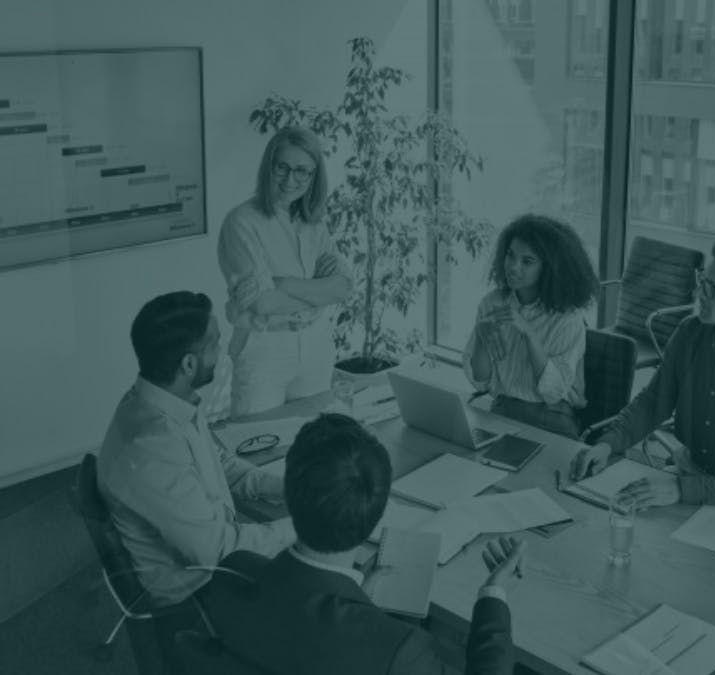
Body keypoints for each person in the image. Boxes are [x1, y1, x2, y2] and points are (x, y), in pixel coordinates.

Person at [202, 413, 523, 675]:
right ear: (378, 511)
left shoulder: (232, 572)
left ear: (290, 494)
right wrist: (493, 594)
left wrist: (358, 601)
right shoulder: (398, 650)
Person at [569, 237, 715, 509]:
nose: (697, 295)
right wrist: (607, 445)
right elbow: (652, 403)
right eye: (701, 281)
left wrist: (682, 489)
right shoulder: (689, 332)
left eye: (713, 289)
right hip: (688, 474)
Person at [97, 292, 295, 608]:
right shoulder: (151, 448)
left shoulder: (165, 399)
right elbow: (218, 553)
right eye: (215, 343)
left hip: (216, 555)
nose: (224, 349)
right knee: (330, 585)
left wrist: (288, 488)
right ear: (189, 364)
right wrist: (307, 523)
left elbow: (219, 464)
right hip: (197, 596)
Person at [218, 126, 352, 416]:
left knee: (314, 445)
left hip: (316, 344)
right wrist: (319, 290)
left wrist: (283, 283)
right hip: (265, 348)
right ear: (269, 166)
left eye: (302, 171)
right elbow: (263, 302)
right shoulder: (241, 222)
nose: (291, 179)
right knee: (259, 447)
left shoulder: (315, 223)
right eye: (283, 167)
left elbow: (342, 288)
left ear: (314, 176)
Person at [462, 214, 599, 438]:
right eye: (510, 255)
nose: (514, 267)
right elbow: (481, 382)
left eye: (527, 261)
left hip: (551, 420)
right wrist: (481, 337)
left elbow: (553, 393)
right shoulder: (492, 303)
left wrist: (527, 332)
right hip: (502, 411)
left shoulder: (568, 319)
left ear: (550, 268)